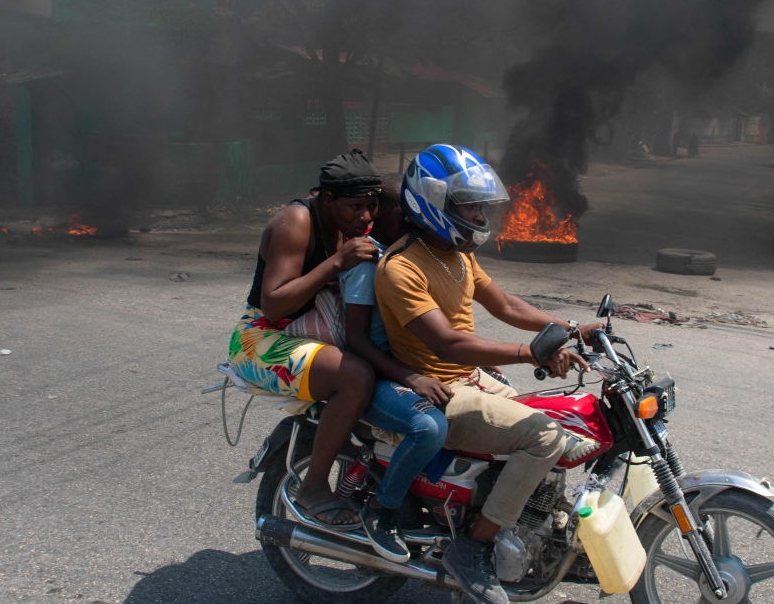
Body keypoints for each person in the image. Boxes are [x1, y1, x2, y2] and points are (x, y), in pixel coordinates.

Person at [375, 145, 600, 604]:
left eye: (480, 204)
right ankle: (472, 548)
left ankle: (514, 518)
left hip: (472, 377)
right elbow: (448, 344)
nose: (478, 214)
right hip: (438, 388)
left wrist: (571, 327)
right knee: (543, 438)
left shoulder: (457, 255)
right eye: (468, 204)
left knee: (559, 422)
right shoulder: (401, 268)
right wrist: (531, 353)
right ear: (432, 203)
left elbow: (507, 306)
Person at [228, 150, 381, 529]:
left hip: (309, 324)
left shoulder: (345, 222)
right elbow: (273, 302)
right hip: (261, 338)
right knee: (356, 377)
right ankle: (313, 487)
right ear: (327, 198)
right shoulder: (296, 221)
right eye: (354, 206)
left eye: (371, 206)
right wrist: (335, 263)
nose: (365, 216)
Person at [339, 173, 450, 563]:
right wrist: (412, 377)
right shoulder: (369, 262)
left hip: (403, 365)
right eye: (405, 215)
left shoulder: (404, 254)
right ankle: (381, 511)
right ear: (381, 214)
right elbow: (358, 339)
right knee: (429, 427)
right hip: (378, 375)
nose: (413, 223)